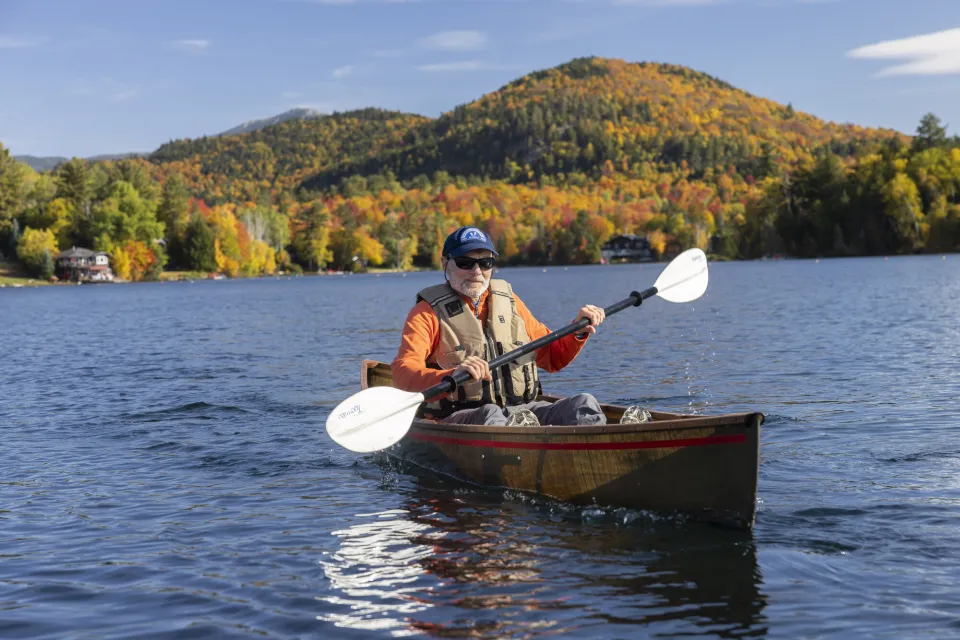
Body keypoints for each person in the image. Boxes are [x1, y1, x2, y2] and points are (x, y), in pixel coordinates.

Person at [391, 226, 647, 427]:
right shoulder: (426, 313)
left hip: (523, 412)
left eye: (485, 262)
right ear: (446, 263)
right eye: (465, 263)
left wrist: (578, 330)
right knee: (491, 415)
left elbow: (553, 357)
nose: (477, 271)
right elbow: (403, 376)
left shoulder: (510, 303)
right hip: (460, 417)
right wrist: (450, 375)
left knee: (583, 403)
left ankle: (600, 455)